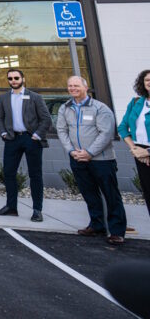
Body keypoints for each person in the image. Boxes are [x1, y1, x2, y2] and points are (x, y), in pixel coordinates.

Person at [56, 76, 127, 244]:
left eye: (76, 85)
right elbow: (61, 130)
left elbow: (106, 134)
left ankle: (117, 230)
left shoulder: (100, 108)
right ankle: (97, 225)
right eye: (70, 86)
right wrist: (72, 151)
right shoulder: (65, 108)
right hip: (77, 159)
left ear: (85, 87)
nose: (73, 88)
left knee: (111, 194)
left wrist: (89, 152)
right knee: (89, 193)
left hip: (101, 160)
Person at [0, 68, 52, 222]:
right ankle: (11, 207)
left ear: (23, 79)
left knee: (35, 175)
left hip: (31, 139)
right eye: (10, 78)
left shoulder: (35, 97)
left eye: (16, 78)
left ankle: (37, 210)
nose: (13, 81)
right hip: (12, 139)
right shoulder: (4, 97)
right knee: (9, 173)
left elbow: (46, 119)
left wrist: (37, 135)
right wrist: (4, 132)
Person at [118, 69, 150, 216]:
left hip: (146, 151)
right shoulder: (136, 102)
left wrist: (147, 152)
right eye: (147, 80)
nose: (149, 82)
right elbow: (123, 128)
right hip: (139, 152)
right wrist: (135, 149)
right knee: (148, 193)